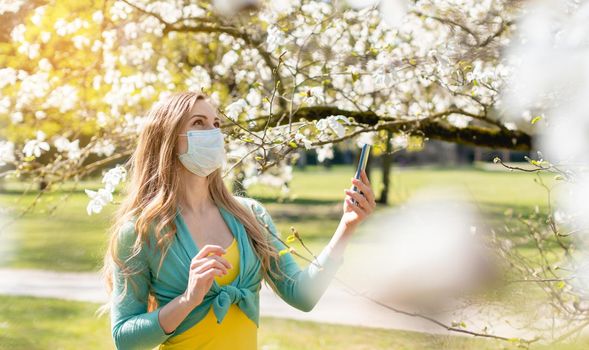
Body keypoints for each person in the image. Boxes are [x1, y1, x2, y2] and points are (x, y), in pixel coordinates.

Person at [99, 91, 377, 349]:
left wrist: (347, 226)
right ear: (168, 139)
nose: (213, 133)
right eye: (199, 122)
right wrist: (188, 299)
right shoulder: (139, 232)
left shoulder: (250, 216)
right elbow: (125, 339)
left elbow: (302, 295)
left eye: (217, 124)